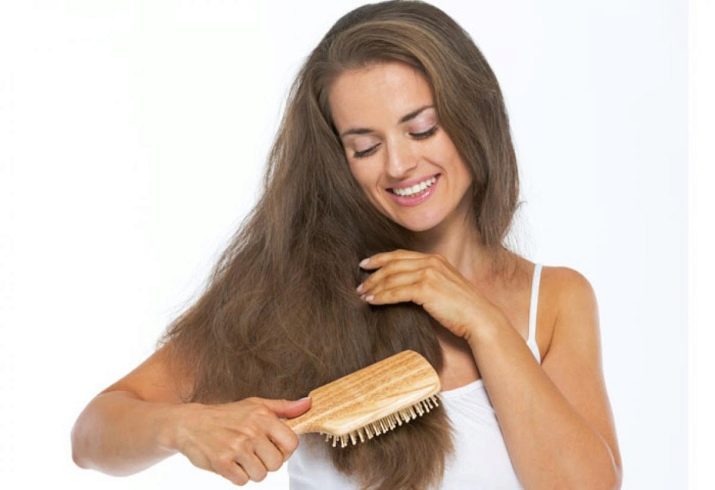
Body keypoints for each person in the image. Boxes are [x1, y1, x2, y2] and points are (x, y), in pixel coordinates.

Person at [71, 1, 622, 488]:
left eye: (422, 129)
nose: (399, 164)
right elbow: (93, 435)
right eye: (365, 148)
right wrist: (182, 426)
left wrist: (483, 323)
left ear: (474, 116)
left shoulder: (554, 300)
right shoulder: (296, 292)